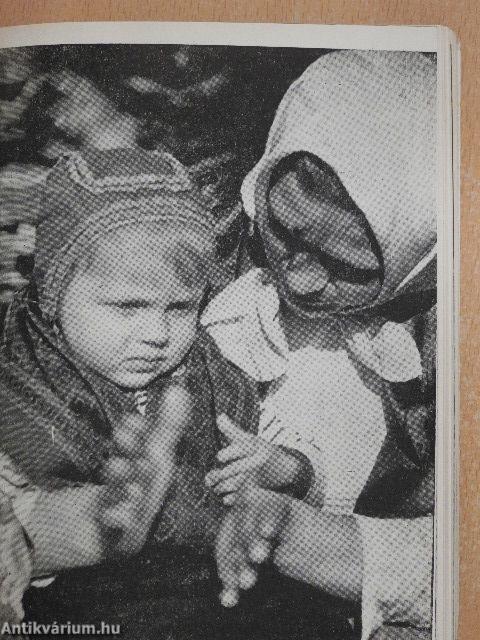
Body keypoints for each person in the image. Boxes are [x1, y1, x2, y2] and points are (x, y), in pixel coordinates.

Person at [0, 147, 326, 639]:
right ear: (53, 296)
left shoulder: (212, 375)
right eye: (127, 307)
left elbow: (291, 450)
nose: (157, 333)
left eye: (180, 308)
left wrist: (288, 468)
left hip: (206, 600)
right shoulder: (21, 385)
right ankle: (106, 519)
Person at [206, 50, 436, 640]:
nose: (303, 281)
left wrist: (298, 488)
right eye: (285, 230)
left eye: (348, 266)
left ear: (422, 256)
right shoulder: (221, 246)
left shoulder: (440, 344)